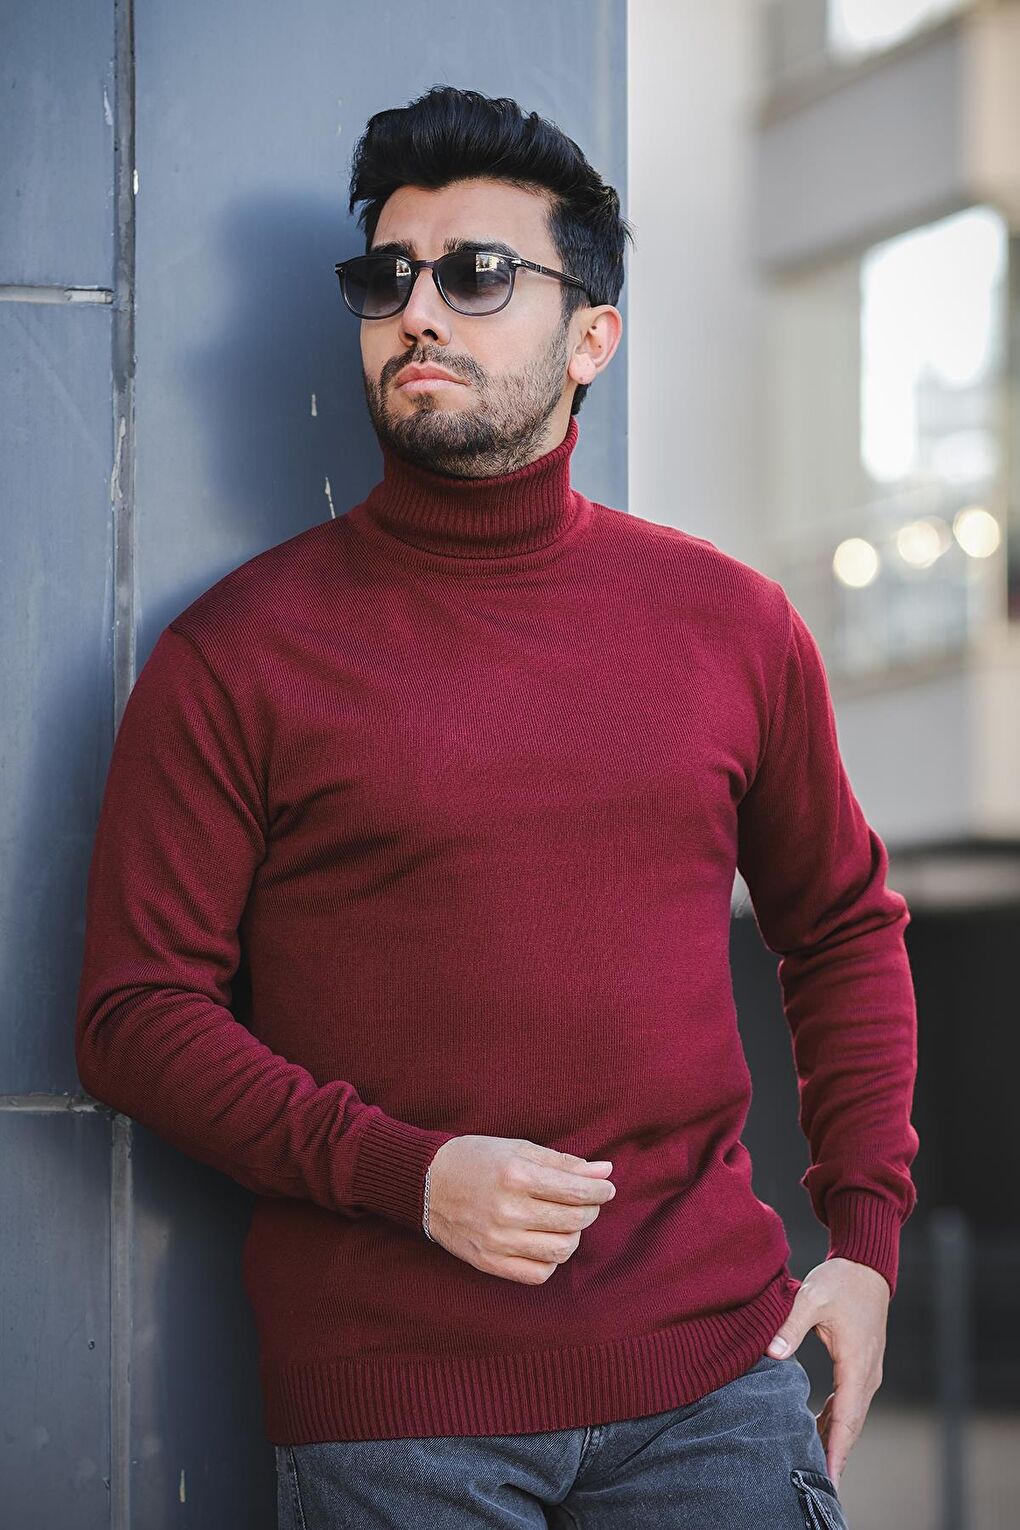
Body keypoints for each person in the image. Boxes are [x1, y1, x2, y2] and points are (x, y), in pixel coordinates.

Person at [75, 84, 919, 1529]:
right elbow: (134, 1013)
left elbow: (841, 926)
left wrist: (866, 1242)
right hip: (397, 1418)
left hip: (716, 1383)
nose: (417, 313)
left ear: (591, 337)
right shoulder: (240, 653)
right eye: (386, 278)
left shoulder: (732, 626)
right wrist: (406, 1176)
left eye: (475, 275)